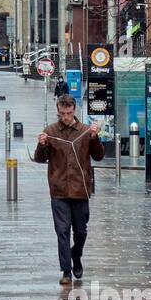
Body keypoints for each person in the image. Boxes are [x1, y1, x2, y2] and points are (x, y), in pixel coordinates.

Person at [32, 93, 104, 287]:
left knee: (80, 232)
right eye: (62, 113)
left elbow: (98, 156)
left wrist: (95, 138)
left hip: (80, 189)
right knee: (62, 231)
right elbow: (40, 158)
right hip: (59, 190)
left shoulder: (85, 130)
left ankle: (76, 255)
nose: (65, 117)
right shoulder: (51, 131)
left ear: (74, 111)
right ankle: (66, 270)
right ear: (58, 111)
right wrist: (42, 145)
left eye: (69, 113)